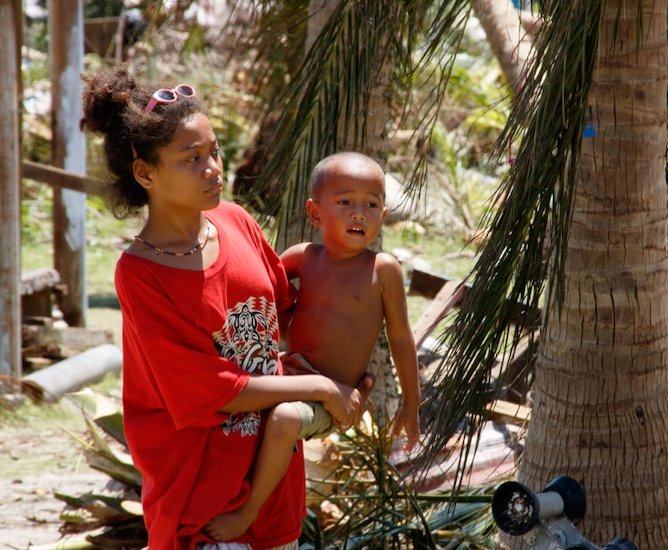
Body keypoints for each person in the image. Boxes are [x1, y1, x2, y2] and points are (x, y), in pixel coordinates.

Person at [79, 67, 371, 550]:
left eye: (213, 150)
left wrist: (348, 369)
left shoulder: (235, 221)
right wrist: (322, 385)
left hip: (275, 490)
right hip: (206, 508)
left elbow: (291, 314)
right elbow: (212, 391)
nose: (213, 167)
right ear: (146, 173)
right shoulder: (141, 275)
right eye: (192, 159)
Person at [204, 152, 421, 541]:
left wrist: (411, 402)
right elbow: (263, 296)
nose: (359, 213)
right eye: (345, 202)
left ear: (383, 216)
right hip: (287, 375)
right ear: (315, 213)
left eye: (371, 204)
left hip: (330, 398)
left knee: (285, 419)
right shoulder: (302, 258)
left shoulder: (382, 270)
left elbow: (402, 338)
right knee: (224, 407)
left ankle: (247, 513)